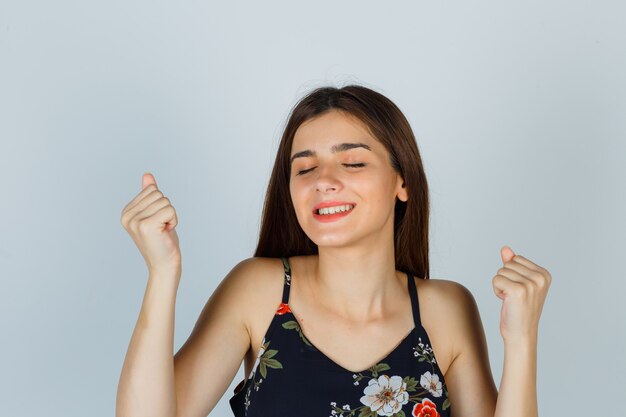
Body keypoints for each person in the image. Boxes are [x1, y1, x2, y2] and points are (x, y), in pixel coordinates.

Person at [116, 85, 552, 417]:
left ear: (403, 182)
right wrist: (162, 272)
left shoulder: (446, 309)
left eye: (353, 162)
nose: (323, 179)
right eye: (304, 167)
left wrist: (522, 341)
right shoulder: (259, 291)